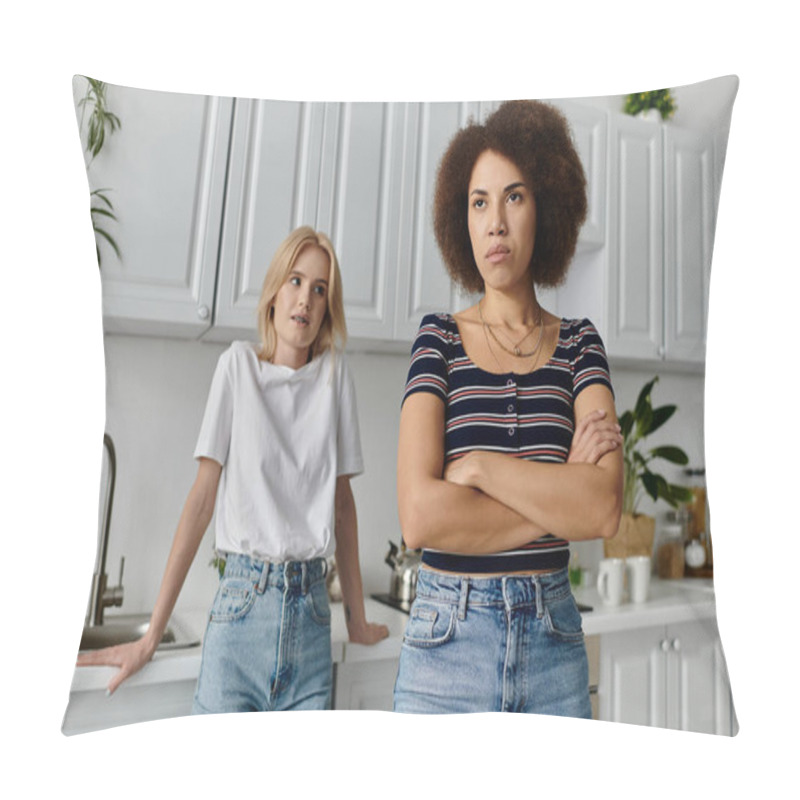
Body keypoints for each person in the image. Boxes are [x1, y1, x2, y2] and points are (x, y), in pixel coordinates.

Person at [78, 225, 388, 712]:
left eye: (319, 289)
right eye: (295, 281)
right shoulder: (237, 368)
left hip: (311, 621)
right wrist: (151, 635)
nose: (305, 298)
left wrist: (357, 620)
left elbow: (343, 508)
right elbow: (201, 501)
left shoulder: (334, 378)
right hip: (241, 613)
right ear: (273, 293)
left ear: (328, 307)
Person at [393, 100, 623, 716]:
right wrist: (560, 497)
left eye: (514, 197)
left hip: (554, 646)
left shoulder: (580, 344)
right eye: (479, 202)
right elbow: (419, 518)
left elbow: (603, 507)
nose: (495, 222)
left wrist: (482, 470)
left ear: (545, 206)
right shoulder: (436, 338)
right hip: (446, 647)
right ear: (461, 221)